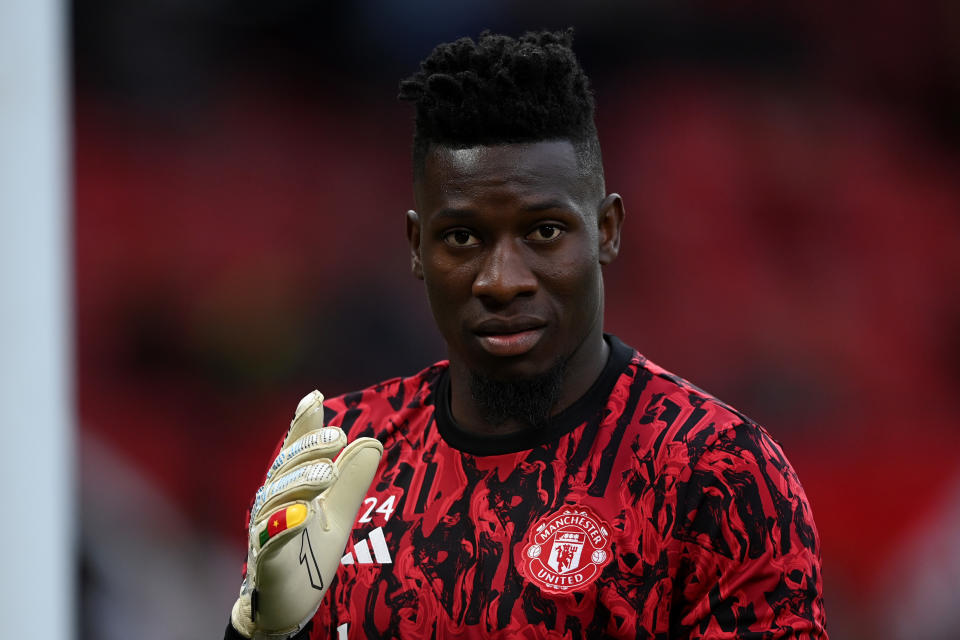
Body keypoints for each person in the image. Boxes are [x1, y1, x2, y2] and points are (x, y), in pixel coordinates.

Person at [225, 29, 827, 639]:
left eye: (543, 232)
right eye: (463, 238)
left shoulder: (716, 471)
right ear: (416, 248)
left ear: (607, 229)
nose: (502, 280)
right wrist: (256, 633)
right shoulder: (340, 457)